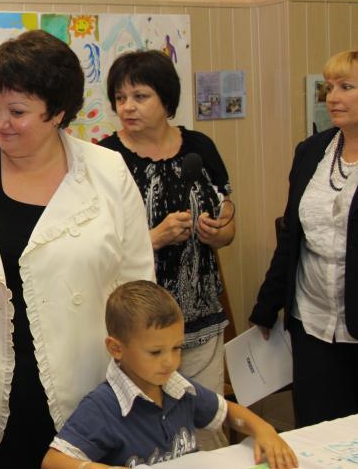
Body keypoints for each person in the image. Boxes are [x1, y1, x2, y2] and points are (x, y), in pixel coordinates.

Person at [0, 29, 155, 467]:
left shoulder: (106, 170)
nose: (0, 122)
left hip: (86, 383)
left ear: (58, 114)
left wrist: (144, 378)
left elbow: (137, 287)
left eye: (17, 112)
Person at [98, 50, 235, 449]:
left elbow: (228, 217)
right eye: (120, 98)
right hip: (137, 326)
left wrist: (219, 231)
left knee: (207, 428)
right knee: (149, 435)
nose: (127, 107)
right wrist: (153, 238)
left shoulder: (200, 146)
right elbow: (96, 245)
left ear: (166, 98)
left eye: (140, 96)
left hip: (200, 317)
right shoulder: (105, 158)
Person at [42, 281, 298, 469]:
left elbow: (228, 412)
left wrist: (264, 430)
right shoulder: (102, 406)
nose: (170, 362)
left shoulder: (178, 387)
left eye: (177, 348)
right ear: (116, 349)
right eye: (155, 352)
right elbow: (53, 461)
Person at [250, 49, 358, 428]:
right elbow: (291, 236)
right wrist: (267, 306)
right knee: (314, 430)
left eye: (346, 87)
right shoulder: (312, 150)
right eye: (329, 87)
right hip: (311, 321)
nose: (333, 97)